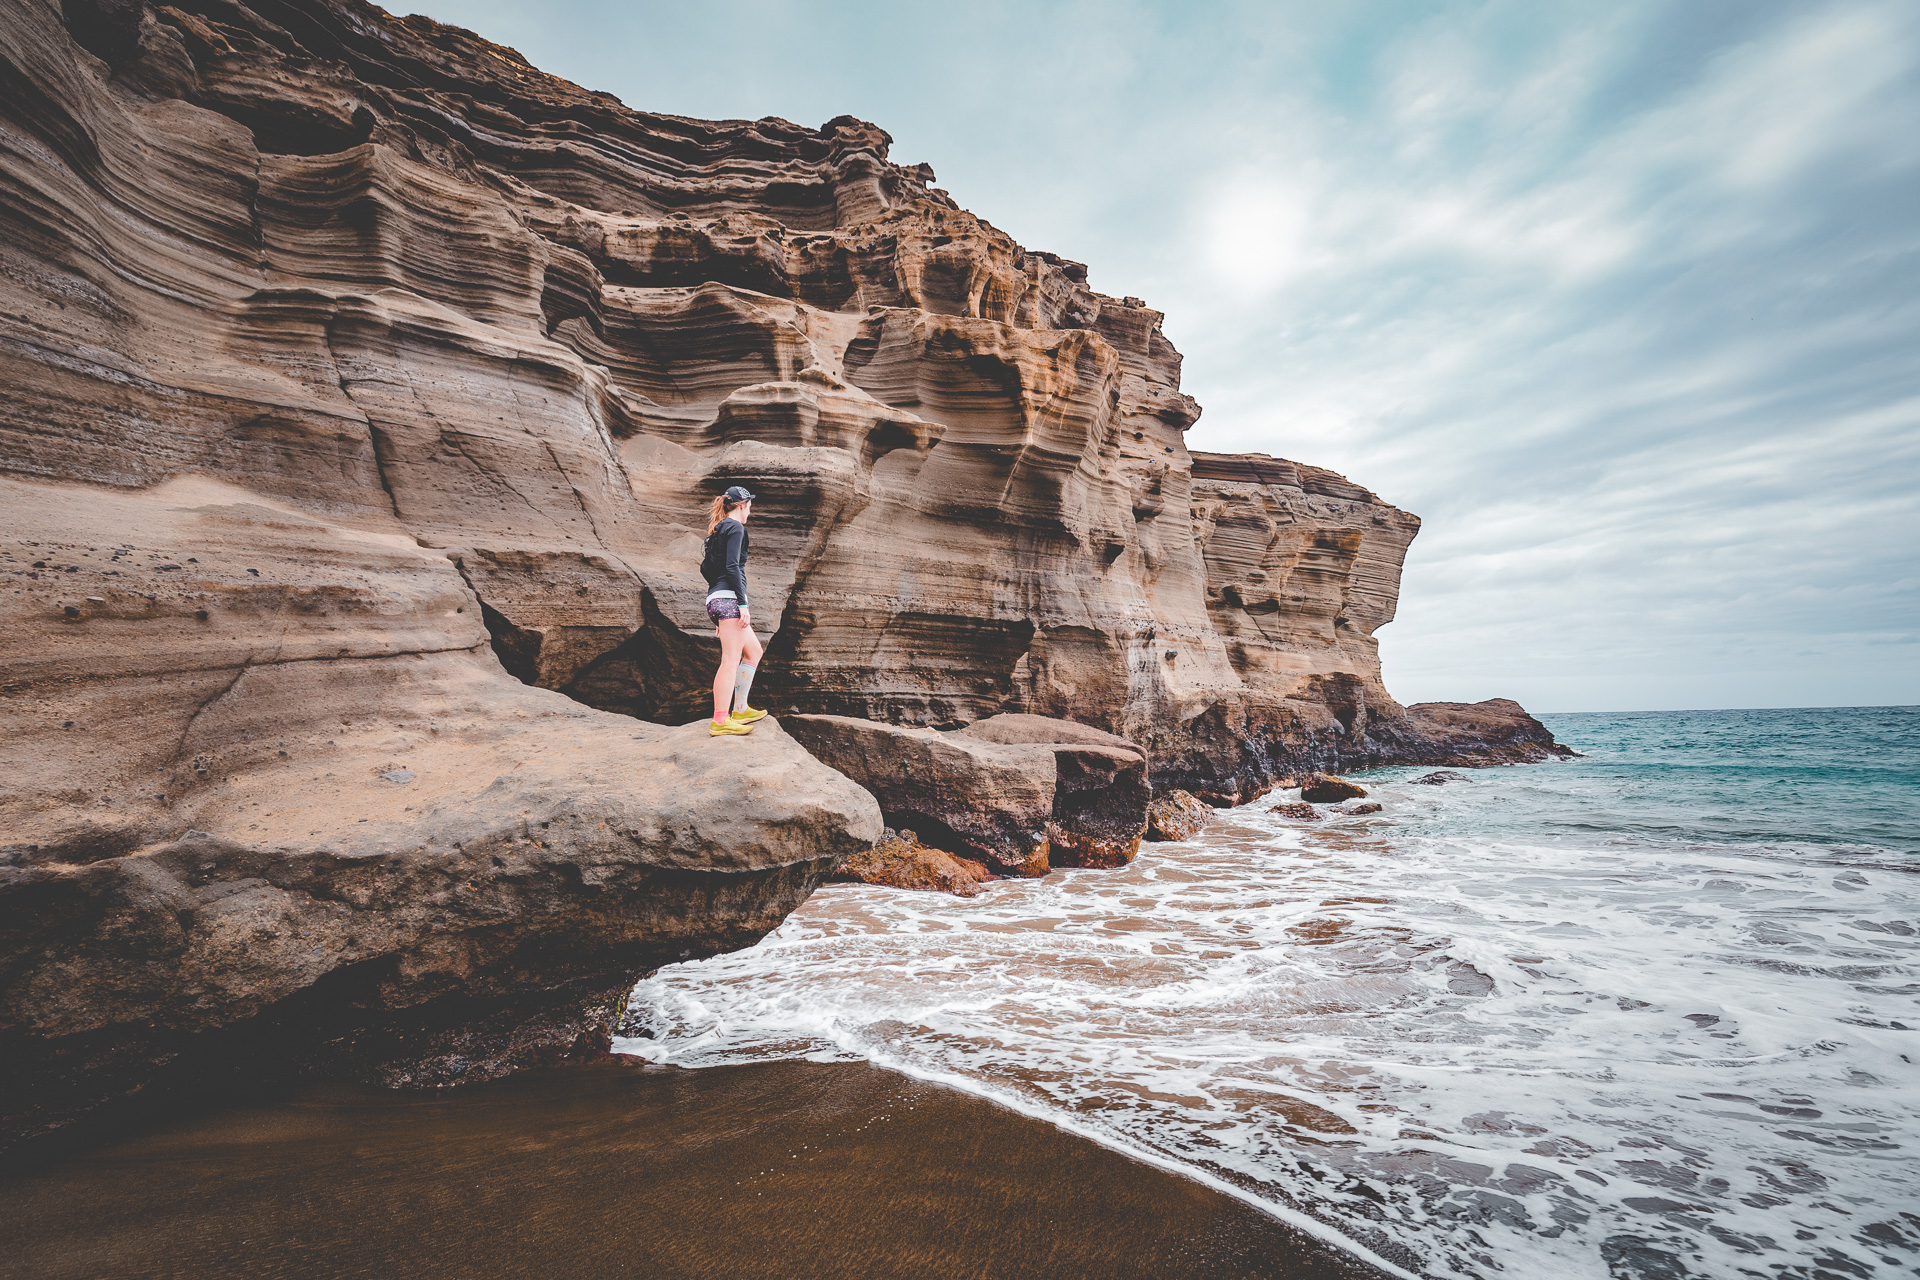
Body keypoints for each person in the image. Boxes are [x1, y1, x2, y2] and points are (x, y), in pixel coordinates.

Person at [700, 485, 767, 736]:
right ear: (742, 505)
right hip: (729, 600)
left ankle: (739, 708)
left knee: (754, 652)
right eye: (749, 506)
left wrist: (718, 611)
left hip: (717, 600)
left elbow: (706, 569)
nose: (750, 511)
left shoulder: (716, 530)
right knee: (730, 661)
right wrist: (742, 604)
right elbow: (732, 567)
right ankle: (720, 721)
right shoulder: (736, 528)